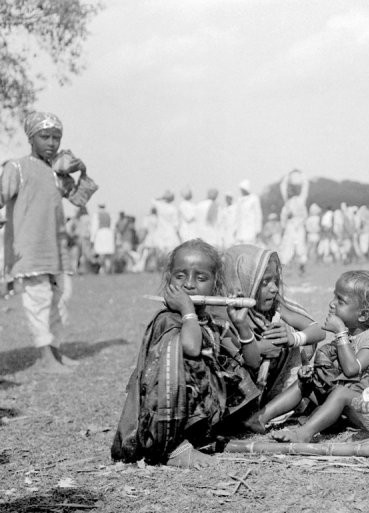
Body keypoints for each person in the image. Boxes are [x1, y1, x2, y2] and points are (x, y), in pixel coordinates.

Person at [111, 239, 261, 467]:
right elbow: (190, 347)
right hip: (162, 418)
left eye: (201, 278)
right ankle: (174, 449)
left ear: (215, 283)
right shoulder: (167, 320)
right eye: (180, 276)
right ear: (168, 279)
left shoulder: (212, 321)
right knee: (193, 360)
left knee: (232, 368)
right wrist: (188, 311)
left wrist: (241, 325)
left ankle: (203, 434)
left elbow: (252, 362)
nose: (189, 285)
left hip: (200, 412)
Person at [0, 111, 98, 372]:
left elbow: (78, 199)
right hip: (29, 249)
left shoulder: (57, 173)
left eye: (56, 137)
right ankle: (45, 357)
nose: (52, 143)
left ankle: (54, 351)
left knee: (61, 299)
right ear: (31, 138)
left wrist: (82, 170)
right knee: (38, 300)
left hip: (57, 248)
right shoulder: (16, 167)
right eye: (45, 137)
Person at [255, 270, 369, 442]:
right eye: (334, 297)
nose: (332, 304)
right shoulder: (351, 336)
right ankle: (260, 418)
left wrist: (340, 333)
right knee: (306, 382)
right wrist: (312, 371)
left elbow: (352, 369)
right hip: (352, 401)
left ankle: (303, 434)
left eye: (341, 301)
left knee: (340, 394)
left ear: (363, 315)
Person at [222, 245, 325, 429]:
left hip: (271, 388)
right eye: (265, 282)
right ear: (243, 283)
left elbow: (318, 331)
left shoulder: (275, 307)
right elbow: (233, 353)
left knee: (289, 336)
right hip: (241, 394)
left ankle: (277, 407)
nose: (274, 288)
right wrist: (263, 347)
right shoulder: (224, 314)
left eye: (275, 280)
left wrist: (293, 338)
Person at [279, 170, 309, 274]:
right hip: (290, 226)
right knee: (287, 246)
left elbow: (305, 187)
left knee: (300, 247)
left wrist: (301, 175)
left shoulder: (301, 199)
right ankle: (285, 267)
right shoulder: (288, 202)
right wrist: (288, 175)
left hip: (299, 226)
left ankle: (302, 267)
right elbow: (283, 188)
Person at [234, 180, 262, 245]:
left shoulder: (254, 198)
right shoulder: (239, 200)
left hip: (251, 229)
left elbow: (258, 214)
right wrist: (235, 228)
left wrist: (258, 230)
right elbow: (237, 216)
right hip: (240, 230)